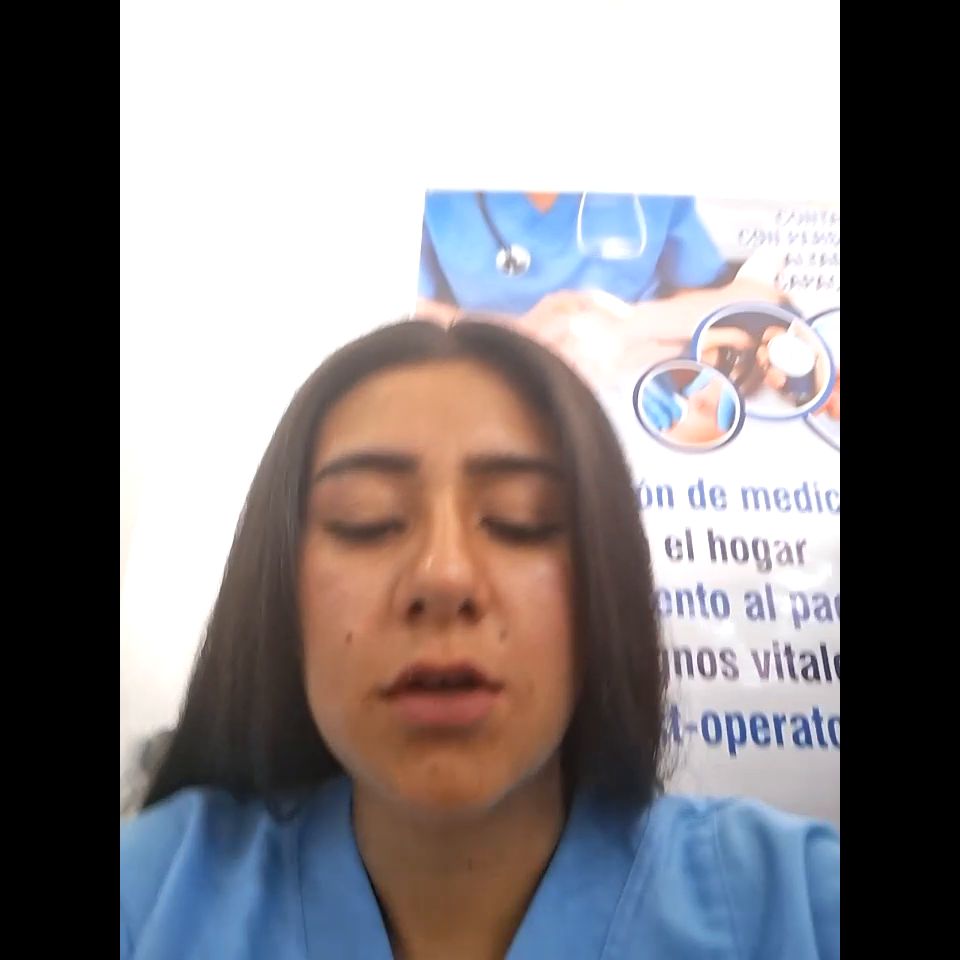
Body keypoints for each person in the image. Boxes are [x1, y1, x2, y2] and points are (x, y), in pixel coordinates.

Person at [120, 318, 840, 959]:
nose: (444, 575)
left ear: (605, 580)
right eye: (366, 519)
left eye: (522, 519)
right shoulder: (146, 897)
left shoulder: (801, 905)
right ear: (281, 589)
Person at [415, 192, 790, 383]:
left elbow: (745, 295)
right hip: (486, 365)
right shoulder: (437, 196)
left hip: (633, 364)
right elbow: (405, 307)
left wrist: (629, 328)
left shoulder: (657, 191)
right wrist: (516, 337)